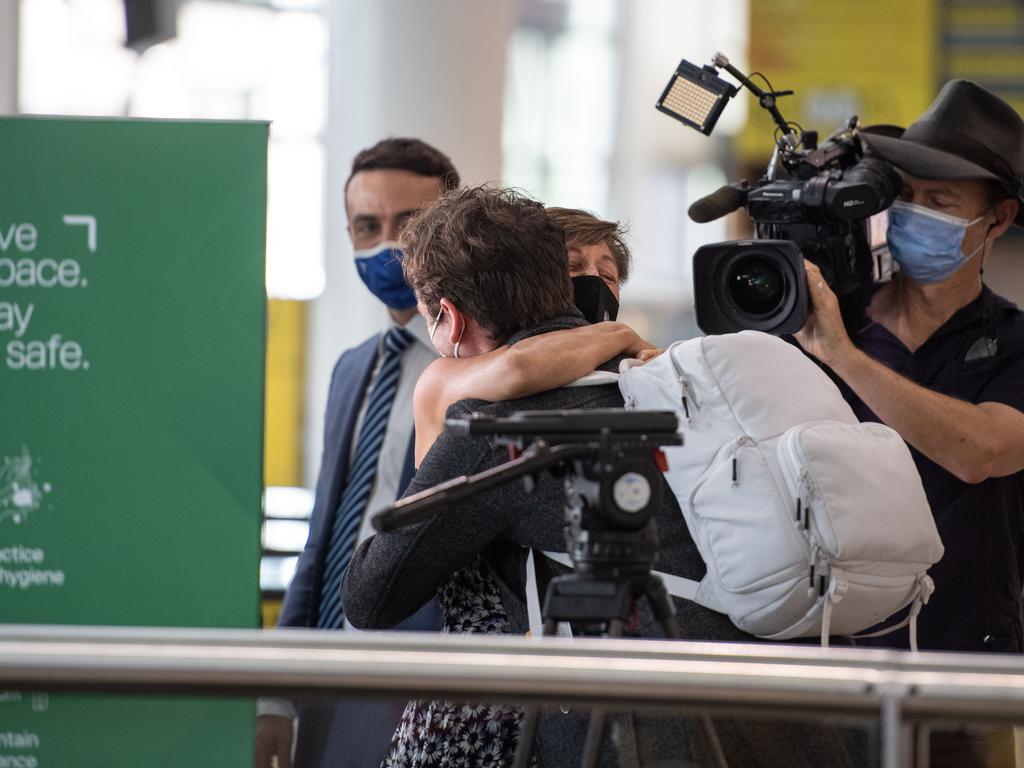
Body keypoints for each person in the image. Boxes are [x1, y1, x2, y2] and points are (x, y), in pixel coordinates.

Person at [342, 186, 861, 767]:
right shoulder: (677, 380)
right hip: (795, 709)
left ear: (450, 318)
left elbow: (370, 597)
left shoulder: (493, 428)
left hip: (637, 733)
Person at [795, 80, 1024, 768]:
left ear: (998, 220)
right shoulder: (829, 314)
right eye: (905, 196)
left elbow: (981, 449)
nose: (913, 214)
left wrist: (841, 356)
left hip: (966, 666)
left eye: (942, 202)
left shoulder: (1015, 344)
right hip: (818, 660)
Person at [255, 137, 458, 768]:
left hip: (421, 684)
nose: (386, 244)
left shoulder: (479, 370)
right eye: (368, 227)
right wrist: (276, 697)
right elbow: (321, 541)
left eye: (410, 225)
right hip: (326, 673)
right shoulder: (352, 370)